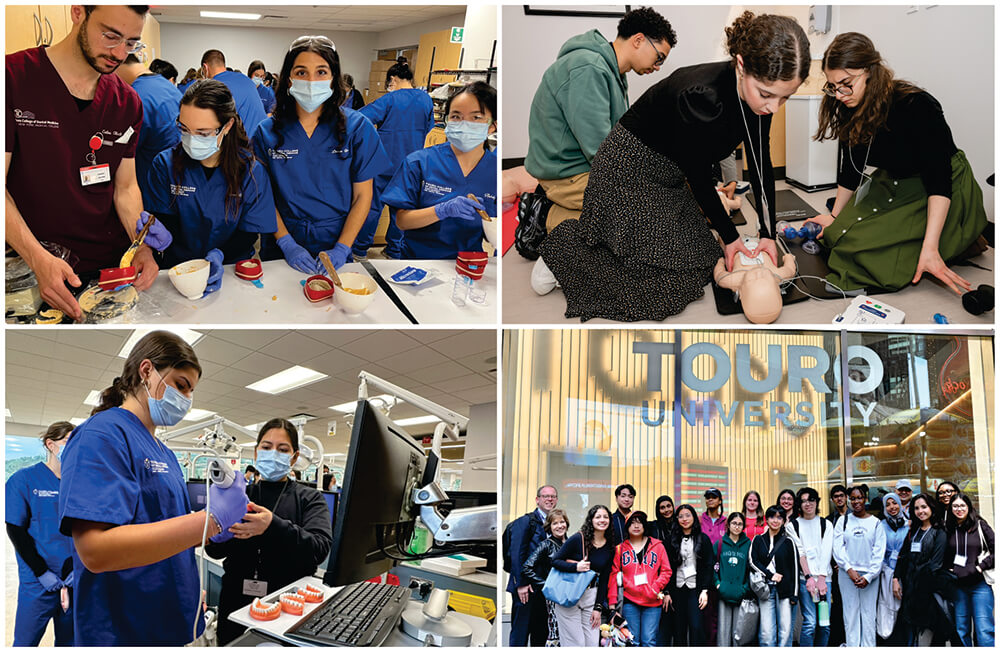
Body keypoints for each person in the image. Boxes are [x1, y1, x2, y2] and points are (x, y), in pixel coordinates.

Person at [535, 12, 809, 321]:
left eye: (785, 98)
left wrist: (768, 233)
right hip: (629, 170)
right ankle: (563, 250)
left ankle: (600, 233)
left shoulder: (764, 95)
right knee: (666, 282)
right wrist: (731, 238)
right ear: (742, 65)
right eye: (767, 94)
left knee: (703, 258)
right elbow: (698, 176)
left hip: (669, 173)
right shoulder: (701, 96)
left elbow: (761, 164)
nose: (773, 107)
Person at [57, 331, 248, 645]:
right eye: (181, 385)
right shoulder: (101, 435)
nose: (186, 400)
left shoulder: (166, 453)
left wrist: (216, 529)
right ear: (146, 371)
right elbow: (95, 551)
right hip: (125, 629)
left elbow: (163, 527)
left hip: (174, 621)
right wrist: (209, 520)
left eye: (191, 391)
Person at [6, 4, 164, 321]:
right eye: (110, 36)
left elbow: (126, 187)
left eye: (132, 43)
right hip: (34, 266)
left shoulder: (126, 102)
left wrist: (141, 246)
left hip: (106, 268)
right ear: (78, 12)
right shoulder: (13, 78)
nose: (120, 53)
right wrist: (37, 259)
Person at [804, 32, 987, 294]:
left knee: (863, 251)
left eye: (846, 83)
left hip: (939, 185)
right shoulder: (847, 106)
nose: (839, 94)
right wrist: (834, 217)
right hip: (894, 180)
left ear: (869, 71)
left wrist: (931, 247)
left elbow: (939, 181)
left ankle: (962, 236)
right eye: (832, 86)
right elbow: (851, 170)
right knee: (837, 236)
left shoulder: (916, 105)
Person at [524, 7, 676, 228]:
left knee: (660, 189)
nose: (657, 66)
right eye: (658, 57)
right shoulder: (589, 69)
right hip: (568, 174)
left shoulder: (612, 72)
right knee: (645, 216)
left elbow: (619, 138)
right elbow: (600, 151)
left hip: (583, 165)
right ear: (638, 40)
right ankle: (545, 217)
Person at [252, 36, 390, 275]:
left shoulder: (357, 128)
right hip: (281, 239)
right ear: (288, 78)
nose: (311, 81)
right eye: (302, 72)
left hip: (336, 237)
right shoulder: (267, 131)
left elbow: (362, 197)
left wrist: (342, 247)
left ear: (334, 78)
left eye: (321, 72)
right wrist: (286, 243)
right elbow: (263, 196)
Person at [205, 418, 333, 644]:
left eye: (282, 449)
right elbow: (215, 552)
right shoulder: (239, 496)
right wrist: (215, 533)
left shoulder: (309, 498)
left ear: (294, 457)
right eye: (266, 447)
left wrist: (272, 525)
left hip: (288, 607)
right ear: (256, 453)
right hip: (235, 602)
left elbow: (319, 548)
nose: (273, 453)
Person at [144, 80, 277, 279]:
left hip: (231, 269)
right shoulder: (165, 164)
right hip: (178, 268)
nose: (191, 138)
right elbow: (164, 218)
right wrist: (160, 235)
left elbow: (249, 232)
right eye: (184, 129)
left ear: (227, 126)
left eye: (203, 133)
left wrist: (219, 254)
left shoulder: (250, 171)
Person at [384, 82, 497, 260]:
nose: (464, 124)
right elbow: (402, 221)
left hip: (469, 265)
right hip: (419, 263)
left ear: (492, 126)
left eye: (476, 118)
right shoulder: (419, 162)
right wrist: (441, 210)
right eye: (456, 116)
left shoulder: (496, 172)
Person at [5, 422, 76, 646]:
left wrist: (80, 567)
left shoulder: (79, 485)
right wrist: (41, 571)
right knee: (26, 642)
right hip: (38, 581)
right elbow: (15, 529)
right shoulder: (23, 480)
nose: (74, 448)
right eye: (68, 441)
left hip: (75, 578)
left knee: (71, 642)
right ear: (51, 444)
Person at [356, 59, 434, 259]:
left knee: (372, 208)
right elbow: (428, 128)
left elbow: (359, 119)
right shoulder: (426, 100)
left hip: (384, 163)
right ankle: (394, 251)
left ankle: (359, 250)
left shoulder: (389, 100)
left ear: (392, 79)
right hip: (411, 165)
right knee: (401, 210)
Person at [113, 54, 183, 204]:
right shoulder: (170, 87)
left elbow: (123, 152)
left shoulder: (135, 96)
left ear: (116, 68)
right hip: (176, 184)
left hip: (151, 188)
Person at [551, 504, 614, 647]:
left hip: (591, 595)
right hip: (570, 593)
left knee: (592, 642)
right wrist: (576, 567)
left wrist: (598, 608)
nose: (602, 520)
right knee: (575, 643)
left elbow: (604, 579)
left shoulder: (610, 547)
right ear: (590, 520)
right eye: (598, 517)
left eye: (605, 517)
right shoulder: (578, 538)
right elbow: (555, 561)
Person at [893, 493, 951, 646]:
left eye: (924, 507)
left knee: (928, 634)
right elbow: (903, 556)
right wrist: (895, 579)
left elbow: (936, 564)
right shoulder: (914, 531)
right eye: (917, 508)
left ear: (931, 508)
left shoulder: (940, 532)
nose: (921, 511)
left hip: (928, 591)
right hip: (910, 589)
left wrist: (921, 588)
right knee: (912, 633)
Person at [833, 485, 886, 647]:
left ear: (866, 499)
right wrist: (849, 569)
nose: (856, 501)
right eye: (853, 498)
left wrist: (869, 576)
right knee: (850, 614)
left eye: (859, 498)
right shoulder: (843, 521)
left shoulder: (876, 523)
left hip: (870, 576)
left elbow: (879, 552)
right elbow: (837, 548)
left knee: (869, 615)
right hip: (847, 574)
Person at [607, 511, 671, 647]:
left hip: (653, 601)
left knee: (649, 641)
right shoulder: (620, 549)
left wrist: (655, 587)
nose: (636, 525)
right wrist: (612, 604)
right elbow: (613, 576)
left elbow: (666, 571)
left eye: (640, 522)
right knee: (632, 641)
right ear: (627, 526)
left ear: (644, 525)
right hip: (630, 601)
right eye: (633, 522)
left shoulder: (658, 546)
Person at [506, 485, 558, 646]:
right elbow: (516, 554)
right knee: (520, 634)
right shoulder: (526, 522)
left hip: (544, 589)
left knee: (540, 634)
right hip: (526, 588)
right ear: (537, 500)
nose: (549, 499)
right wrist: (521, 584)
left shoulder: (555, 524)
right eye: (545, 496)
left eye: (553, 496)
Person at [946, 493, 995, 647]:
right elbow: (946, 554)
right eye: (955, 506)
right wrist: (950, 569)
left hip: (979, 585)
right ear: (951, 508)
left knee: (984, 629)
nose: (959, 509)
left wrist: (981, 567)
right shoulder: (949, 528)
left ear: (968, 507)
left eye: (962, 506)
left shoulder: (980, 526)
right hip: (958, 586)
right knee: (961, 629)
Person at [786, 487, 832, 647]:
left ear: (816, 501)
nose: (807, 504)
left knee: (824, 624)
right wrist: (809, 578)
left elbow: (827, 551)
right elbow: (800, 552)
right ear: (799, 504)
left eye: (811, 500)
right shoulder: (793, 526)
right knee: (810, 623)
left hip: (826, 580)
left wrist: (821, 579)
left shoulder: (826, 524)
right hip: (805, 580)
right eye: (803, 501)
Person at [750, 506, 800, 647]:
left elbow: (795, 569)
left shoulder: (789, 542)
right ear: (767, 519)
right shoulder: (758, 539)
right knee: (766, 631)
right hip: (765, 590)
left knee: (785, 630)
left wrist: (794, 595)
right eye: (772, 517)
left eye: (779, 517)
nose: (775, 520)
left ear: (784, 521)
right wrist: (770, 575)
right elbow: (753, 561)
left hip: (784, 591)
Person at [666, 504, 714, 646]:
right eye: (681, 516)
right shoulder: (671, 539)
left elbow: (708, 565)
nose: (684, 519)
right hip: (677, 589)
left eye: (688, 515)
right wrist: (667, 591)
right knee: (679, 628)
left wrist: (705, 590)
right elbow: (666, 567)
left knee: (696, 626)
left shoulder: (703, 539)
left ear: (694, 517)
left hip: (696, 589)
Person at [523, 508, 570, 646]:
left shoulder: (572, 542)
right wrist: (546, 584)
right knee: (553, 633)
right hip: (552, 598)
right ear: (549, 527)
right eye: (555, 523)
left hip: (570, 595)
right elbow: (527, 567)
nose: (560, 526)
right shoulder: (546, 544)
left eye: (562, 522)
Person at [200, 49, 267, 137]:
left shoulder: (214, 87)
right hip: (263, 139)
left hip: (244, 145)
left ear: (205, 68)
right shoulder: (245, 79)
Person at [714, 512, 751, 647]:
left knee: (739, 632)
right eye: (734, 523)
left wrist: (745, 588)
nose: (737, 526)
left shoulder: (748, 545)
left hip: (740, 593)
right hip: (723, 593)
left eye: (740, 524)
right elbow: (712, 567)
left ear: (743, 526)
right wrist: (718, 584)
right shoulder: (720, 544)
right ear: (728, 525)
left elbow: (750, 570)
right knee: (723, 632)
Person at [876, 492, 908, 643]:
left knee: (905, 610)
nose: (892, 507)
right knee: (888, 608)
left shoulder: (909, 523)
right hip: (887, 572)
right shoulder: (880, 526)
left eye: (894, 503)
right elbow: (877, 551)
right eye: (887, 504)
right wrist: (886, 570)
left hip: (907, 573)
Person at [826, 483, 849, 646]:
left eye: (842, 495)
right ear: (832, 499)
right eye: (836, 496)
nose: (839, 499)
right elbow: (828, 545)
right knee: (839, 605)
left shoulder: (857, 516)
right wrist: (836, 564)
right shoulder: (828, 520)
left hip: (856, 568)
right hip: (836, 570)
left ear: (846, 497)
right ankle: (840, 640)